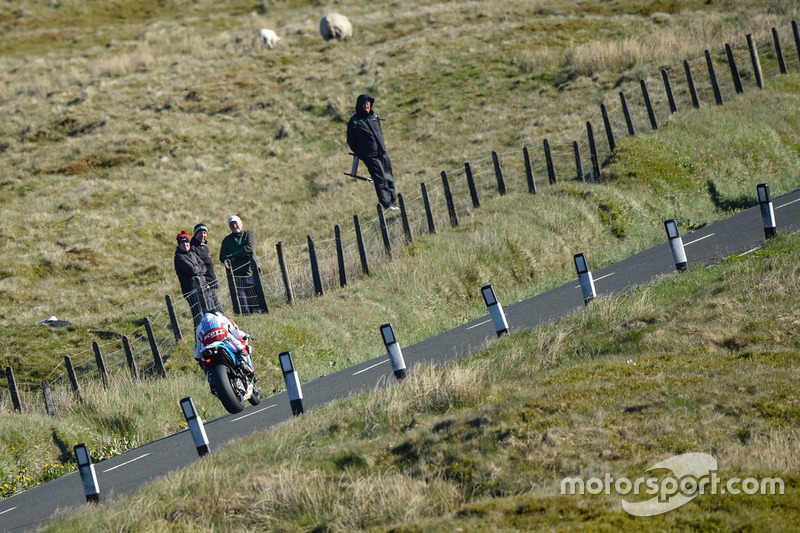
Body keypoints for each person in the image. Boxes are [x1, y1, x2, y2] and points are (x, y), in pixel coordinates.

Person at [347, 93, 398, 211]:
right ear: (359, 105)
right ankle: (387, 204)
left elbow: (379, 132)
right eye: (364, 104)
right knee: (380, 178)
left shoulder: (374, 116)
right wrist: (361, 153)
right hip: (369, 155)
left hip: (382, 152)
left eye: (368, 104)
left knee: (389, 177)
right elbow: (350, 141)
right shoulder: (354, 121)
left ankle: (393, 203)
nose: (367, 106)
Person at [193, 311, 254, 378]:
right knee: (241, 347)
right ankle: (242, 363)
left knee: (203, 362)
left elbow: (197, 353)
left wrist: (198, 358)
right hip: (223, 339)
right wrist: (245, 336)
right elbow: (237, 333)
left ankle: (210, 376)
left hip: (207, 347)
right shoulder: (223, 318)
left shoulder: (198, 328)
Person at [219, 215, 257, 314]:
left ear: (241, 223)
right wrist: (239, 255)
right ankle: (246, 319)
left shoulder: (249, 234)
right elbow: (222, 257)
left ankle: (258, 317)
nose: (234, 226)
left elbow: (249, 248)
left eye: (236, 223)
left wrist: (232, 257)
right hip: (236, 276)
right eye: (232, 224)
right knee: (243, 304)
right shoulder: (226, 240)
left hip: (250, 272)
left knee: (255, 300)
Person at [173, 231, 205, 325]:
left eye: (187, 242)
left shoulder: (193, 253)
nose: (185, 245)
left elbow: (204, 266)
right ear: (179, 245)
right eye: (182, 243)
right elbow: (192, 270)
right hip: (191, 289)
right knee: (198, 315)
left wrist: (198, 269)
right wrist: (199, 269)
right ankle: (199, 335)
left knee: (207, 312)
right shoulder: (179, 257)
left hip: (202, 286)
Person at [191, 222, 222, 313]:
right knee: (212, 309)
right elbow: (198, 267)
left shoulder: (204, 247)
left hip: (211, 282)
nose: (202, 235)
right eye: (200, 233)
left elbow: (209, 266)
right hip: (204, 284)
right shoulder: (193, 248)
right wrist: (205, 283)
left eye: (204, 233)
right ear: (196, 234)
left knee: (217, 306)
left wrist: (214, 280)